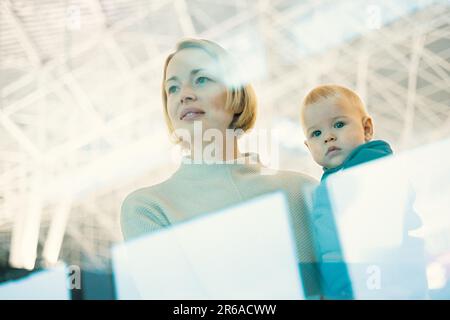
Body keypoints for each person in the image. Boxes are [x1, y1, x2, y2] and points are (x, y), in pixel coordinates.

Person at [121, 38, 320, 298]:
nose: (184, 94)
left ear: (236, 97)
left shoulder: (301, 191)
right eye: (172, 88)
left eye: (201, 79)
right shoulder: (148, 208)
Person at [300, 84, 425, 299]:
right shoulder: (334, 181)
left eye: (338, 124)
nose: (327, 137)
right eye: (316, 133)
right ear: (308, 147)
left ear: (366, 129)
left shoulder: (372, 171)